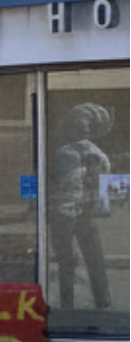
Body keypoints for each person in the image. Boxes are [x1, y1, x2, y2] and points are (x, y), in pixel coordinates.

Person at [49, 104, 113, 311]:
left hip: (62, 214)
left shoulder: (62, 154)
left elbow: (52, 182)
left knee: (66, 262)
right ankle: (103, 302)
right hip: (85, 213)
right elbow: (104, 193)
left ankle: (67, 304)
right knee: (94, 259)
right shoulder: (101, 155)